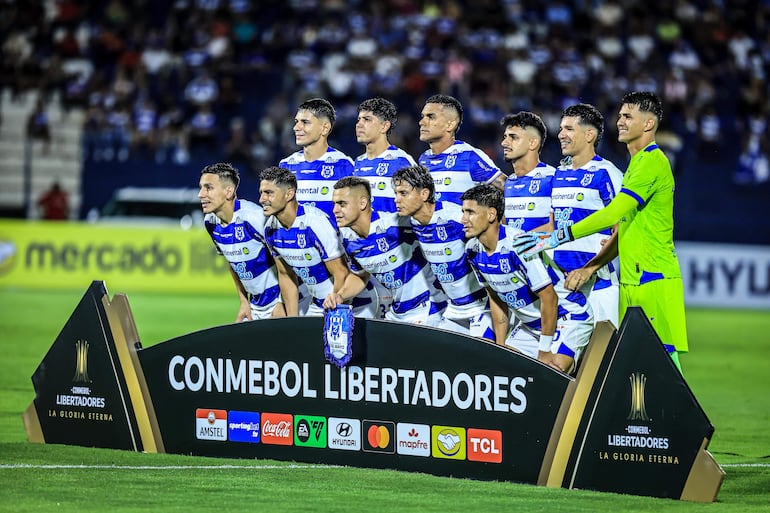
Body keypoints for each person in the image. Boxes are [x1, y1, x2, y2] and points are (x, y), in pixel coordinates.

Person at [513, 92, 688, 371]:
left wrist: (565, 238)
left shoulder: (651, 162)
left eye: (628, 116)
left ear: (648, 124)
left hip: (653, 275)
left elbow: (612, 214)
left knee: (663, 360)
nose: (620, 121)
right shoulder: (635, 165)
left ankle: (685, 415)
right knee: (634, 364)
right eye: (619, 116)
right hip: (633, 276)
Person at [461, 184, 593, 374]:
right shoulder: (472, 250)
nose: (463, 219)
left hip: (568, 317)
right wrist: (500, 346)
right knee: (502, 371)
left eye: (470, 212)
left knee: (552, 371)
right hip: (530, 327)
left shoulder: (518, 245)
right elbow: (496, 299)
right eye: (463, 212)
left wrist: (545, 350)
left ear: (491, 215)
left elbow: (550, 298)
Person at [323, 176, 447, 327]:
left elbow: (433, 218)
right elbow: (360, 276)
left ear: (363, 203)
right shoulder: (349, 239)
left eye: (342, 204)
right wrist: (340, 295)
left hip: (428, 310)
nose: (335, 210)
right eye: (334, 204)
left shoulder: (396, 225)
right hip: (396, 313)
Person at [391, 165, 494, 341]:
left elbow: (494, 240)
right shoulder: (411, 223)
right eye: (396, 193)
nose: (396, 200)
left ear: (424, 194)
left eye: (403, 193)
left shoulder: (455, 218)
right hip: (453, 309)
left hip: (481, 307)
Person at [259, 166, 378, 317]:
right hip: (320, 304)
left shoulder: (315, 223)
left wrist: (335, 312)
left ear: (289, 194)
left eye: (269, 193)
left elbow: (341, 273)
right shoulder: (270, 228)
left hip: (355, 303)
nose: (262, 199)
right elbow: (285, 274)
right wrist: (292, 319)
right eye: (261, 193)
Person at [547, 103, 624, 327]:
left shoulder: (606, 173)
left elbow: (623, 228)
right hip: (561, 286)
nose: (561, 134)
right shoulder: (558, 174)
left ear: (590, 134)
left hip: (598, 285)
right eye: (561, 128)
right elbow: (552, 227)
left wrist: (591, 267)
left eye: (569, 129)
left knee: (603, 357)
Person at [199, 162, 284, 321]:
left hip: (279, 302)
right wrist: (244, 301)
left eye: (208, 188)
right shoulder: (210, 222)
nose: (201, 194)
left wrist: (282, 302)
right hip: (255, 305)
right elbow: (231, 262)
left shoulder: (255, 218)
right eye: (201, 187)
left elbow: (288, 261)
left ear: (228, 192)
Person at [417, 94, 506, 206]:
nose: (422, 122)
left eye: (430, 117)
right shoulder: (423, 159)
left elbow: (511, 190)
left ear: (450, 125)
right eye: (422, 116)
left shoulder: (469, 156)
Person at [279, 98, 354, 220]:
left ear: (324, 128)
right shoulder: (286, 165)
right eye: (296, 121)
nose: (296, 128)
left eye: (305, 122)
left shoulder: (344, 165)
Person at [353, 97, 417, 213]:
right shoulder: (357, 163)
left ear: (384, 126)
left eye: (367, 119)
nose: (359, 124)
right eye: (359, 119)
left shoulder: (401, 162)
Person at [500, 111, 555, 230]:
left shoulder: (552, 178)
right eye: (505, 137)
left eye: (513, 137)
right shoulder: (509, 182)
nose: (504, 143)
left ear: (532, 143)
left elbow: (557, 227)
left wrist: (520, 244)